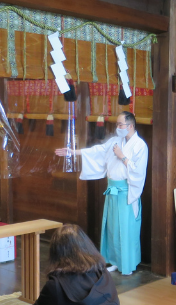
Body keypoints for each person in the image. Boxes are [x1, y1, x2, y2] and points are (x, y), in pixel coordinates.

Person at [56, 111, 148, 276]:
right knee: (112, 227)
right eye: (117, 125)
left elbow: (138, 171)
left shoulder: (140, 145)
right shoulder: (115, 141)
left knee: (126, 229)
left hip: (127, 191)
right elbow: (97, 151)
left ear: (131, 126)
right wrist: (73, 152)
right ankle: (114, 260)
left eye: (121, 125)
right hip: (112, 189)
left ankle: (127, 264)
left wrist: (122, 157)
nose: (118, 128)